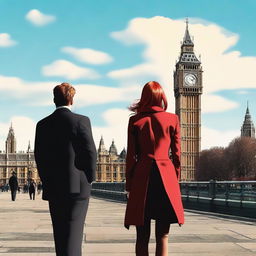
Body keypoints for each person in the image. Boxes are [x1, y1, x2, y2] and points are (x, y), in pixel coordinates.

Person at [34, 82, 97, 256]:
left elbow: (39, 156)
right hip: (78, 188)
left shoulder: (42, 124)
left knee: (60, 235)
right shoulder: (81, 120)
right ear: (71, 99)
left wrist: (47, 181)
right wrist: (90, 178)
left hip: (54, 187)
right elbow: (91, 152)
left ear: (54, 100)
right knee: (74, 235)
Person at [124, 81, 185, 256]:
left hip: (142, 179)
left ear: (144, 98)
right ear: (161, 97)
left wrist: (129, 186)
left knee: (142, 237)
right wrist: (175, 180)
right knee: (163, 236)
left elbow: (131, 157)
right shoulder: (172, 119)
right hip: (166, 178)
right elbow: (177, 154)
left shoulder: (135, 121)